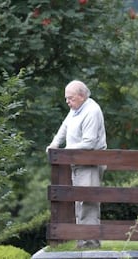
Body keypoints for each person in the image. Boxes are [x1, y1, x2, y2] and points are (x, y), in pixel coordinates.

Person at [46, 80, 107, 249]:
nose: (67, 102)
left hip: (90, 163)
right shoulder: (75, 109)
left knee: (88, 202)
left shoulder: (91, 111)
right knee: (80, 202)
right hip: (76, 161)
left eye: (70, 98)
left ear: (81, 96)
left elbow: (89, 144)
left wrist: (65, 151)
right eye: (66, 98)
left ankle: (90, 243)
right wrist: (54, 144)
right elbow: (64, 127)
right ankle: (83, 241)